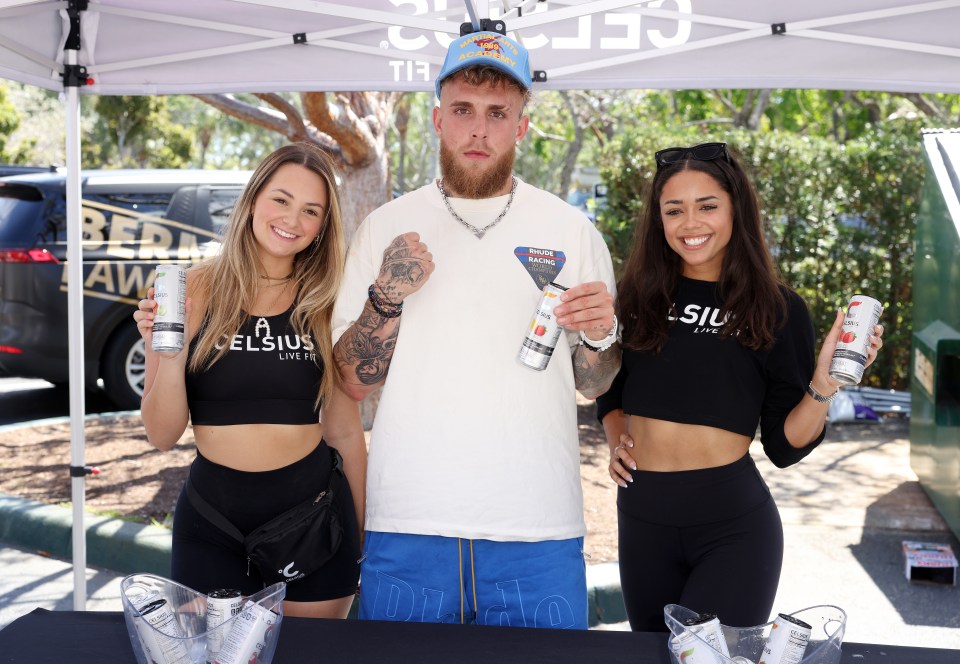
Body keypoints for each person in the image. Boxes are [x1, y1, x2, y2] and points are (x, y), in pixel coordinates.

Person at [330, 30, 620, 629]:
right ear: (438, 118)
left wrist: (600, 336)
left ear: (522, 126)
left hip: (537, 526)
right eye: (463, 110)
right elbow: (353, 381)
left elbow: (595, 382)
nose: (479, 130)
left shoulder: (572, 232)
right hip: (408, 522)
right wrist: (385, 298)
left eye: (497, 113)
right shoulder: (387, 226)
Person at [597, 142, 885, 632]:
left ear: (736, 209)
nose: (691, 223)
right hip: (643, 516)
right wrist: (616, 434)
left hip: (731, 527)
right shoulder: (636, 296)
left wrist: (822, 385)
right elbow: (610, 385)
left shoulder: (777, 308)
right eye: (674, 210)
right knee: (649, 654)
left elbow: (783, 445)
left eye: (707, 206)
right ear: (659, 219)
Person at [133, 143, 365, 619]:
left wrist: (361, 536)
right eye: (280, 199)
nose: (292, 219)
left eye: (310, 210)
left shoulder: (328, 298)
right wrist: (170, 352)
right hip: (212, 520)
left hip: (314, 516)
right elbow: (160, 435)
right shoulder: (191, 288)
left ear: (323, 225)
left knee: (313, 659)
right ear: (254, 199)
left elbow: (344, 429)